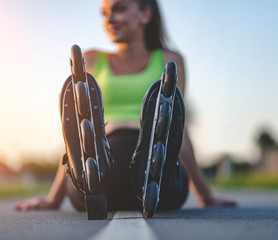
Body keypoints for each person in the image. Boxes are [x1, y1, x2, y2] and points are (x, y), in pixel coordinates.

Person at [15, 0, 236, 212]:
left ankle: (150, 166)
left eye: (119, 8)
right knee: (93, 148)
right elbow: (74, 136)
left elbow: (180, 131)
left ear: (145, 14)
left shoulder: (170, 60)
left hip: (157, 166)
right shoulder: (90, 60)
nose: (109, 19)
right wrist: (53, 198)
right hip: (103, 157)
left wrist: (206, 195)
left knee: (162, 144)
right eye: (104, 13)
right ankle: (107, 170)